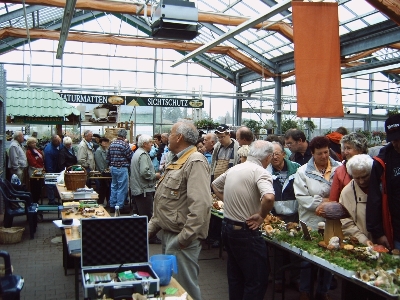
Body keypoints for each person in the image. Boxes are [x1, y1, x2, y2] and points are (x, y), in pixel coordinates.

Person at [148, 120, 211, 300]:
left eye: (171, 133)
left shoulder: (195, 161)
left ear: (179, 137)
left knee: (185, 290)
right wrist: (148, 231)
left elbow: (200, 206)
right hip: (169, 235)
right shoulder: (177, 160)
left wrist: (183, 240)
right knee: (173, 289)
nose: (168, 136)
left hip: (181, 239)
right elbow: (166, 203)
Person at [211, 140, 275, 300]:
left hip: (227, 228)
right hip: (246, 232)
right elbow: (268, 197)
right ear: (268, 157)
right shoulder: (260, 172)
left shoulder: (235, 169)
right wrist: (261, 215)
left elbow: (215, 184)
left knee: (236, 277)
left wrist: (229, 201)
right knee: (256, 280)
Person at [294, 136, 342, 300]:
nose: (324, 156)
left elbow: (345, 193)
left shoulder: (339, 169)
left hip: (333, 221)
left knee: (329, 255)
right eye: (320, 153)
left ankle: (323, 291)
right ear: (312, 154)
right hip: (311, 220)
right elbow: (302, 197)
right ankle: (305, 290)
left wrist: (332, 204)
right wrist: (326, 202)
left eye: (326, 152)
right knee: (308, 257)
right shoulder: (302, 172)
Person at [266, 141, 301, 291]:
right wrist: (271, 216)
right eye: (271, 154)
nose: (274, 157)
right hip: (276, 217)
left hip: (295, 216)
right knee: (277, 250)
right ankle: (278, 279)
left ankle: (296, 279)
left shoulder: (297, 169)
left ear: (284, 154)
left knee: (296, 250)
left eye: (277, 153)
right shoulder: (266, 172)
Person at [367, 114, 400, 250]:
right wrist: (378, 233)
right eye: (393, 140)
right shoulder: (382, 162)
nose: (396, 143)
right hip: (396, 232)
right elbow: (374, 198)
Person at [130, 135, 161, 243]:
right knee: (147, 215)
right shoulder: (143, 154)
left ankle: (140, 236)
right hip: (143, 189)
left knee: (139, 215)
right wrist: (155, 175)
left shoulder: (137, 152)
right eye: (150, 143)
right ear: (144, 144)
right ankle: (150, 237)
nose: (152, 144)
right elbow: (144, 172)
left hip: (137, 188)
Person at [339, 154, 374, 246]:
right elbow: (346, 223)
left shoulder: (382, 186)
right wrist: (364, 241)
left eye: (365, 176)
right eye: (357, 178)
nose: (361, 181)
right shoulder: (347, 193)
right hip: (362, 243)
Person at [329, 132, 368, 202]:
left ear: (360, 150)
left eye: (349, 148)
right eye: (345, 148)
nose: (345, 152)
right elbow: (333, 199)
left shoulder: (372, 168)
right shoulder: (340, 171)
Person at [106, 129, 133, 214]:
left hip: (113, 168)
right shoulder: (124, 145)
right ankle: (119, 207)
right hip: (122, 168)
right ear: (124, 136)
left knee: (114, 187)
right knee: (122, 188)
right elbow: (131, 156)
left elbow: (108, 158)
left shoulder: (112, 144)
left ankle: (112, 206)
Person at [44, 134, 63, 205]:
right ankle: (51, 201)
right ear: (54, 142)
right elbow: (48, 164)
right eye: (58, 142)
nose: (60, 143)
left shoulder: (60, 145)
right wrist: (50, 173)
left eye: (60, 141)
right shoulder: (48, 150)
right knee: (50, 185)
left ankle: (56, 199)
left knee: (57, 185)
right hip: (51, 169)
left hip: (58, 168)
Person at [26, 136, 44, 203]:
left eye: (35, 143)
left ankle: (37, 201)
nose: (34, 144)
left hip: (40, 170)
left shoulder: (37, 150)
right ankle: (34, 201)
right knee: (34, 187)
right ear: (29, 144)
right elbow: (32, 162)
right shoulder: (28, 152)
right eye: (32, 143)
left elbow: (41, 159)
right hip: (34, 172)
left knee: (39, 187)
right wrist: (39, 167)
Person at [94, 137, 110, 206]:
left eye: (106, 142)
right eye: (104, 141)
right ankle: (100, 202)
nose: (105, 143)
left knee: (107, 187)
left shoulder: (106, 150)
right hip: (101, 172)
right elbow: (99, 162)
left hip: (107, 172)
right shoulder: (98, 151)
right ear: (100, 142)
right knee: (102, 187)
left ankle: (107, 202)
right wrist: (103, 171)